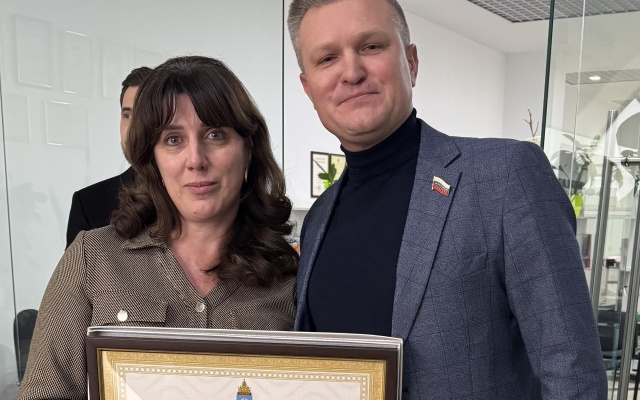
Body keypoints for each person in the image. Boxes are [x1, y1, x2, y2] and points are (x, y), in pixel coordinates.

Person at [287, 0, 607, 398]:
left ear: (411, 62)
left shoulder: (505, 177)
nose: (351, 72)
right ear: (308, 88)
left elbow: (573, 373)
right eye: (327, 58)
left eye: (371, 46)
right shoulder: (318, 219)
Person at [18, 55, 298, 399]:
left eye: (215, 134)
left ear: (248, 149)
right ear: (152, 158)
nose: (196, 160)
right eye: (173, 139)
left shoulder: (289, 278)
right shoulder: (92, 259)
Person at [65, 66, 152, 248]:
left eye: (144, 114)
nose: (133, 128)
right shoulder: (89, 203)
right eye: (127, 115)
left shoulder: (197, 194)